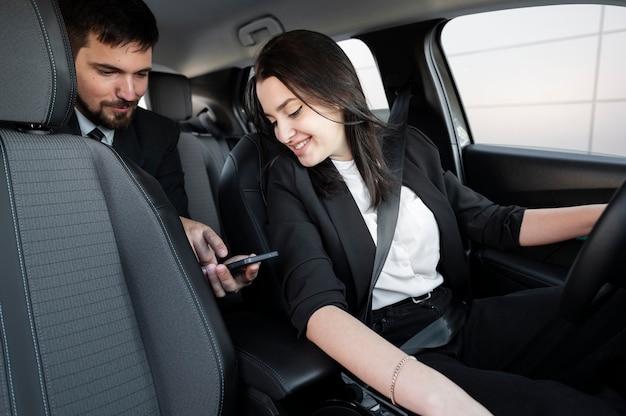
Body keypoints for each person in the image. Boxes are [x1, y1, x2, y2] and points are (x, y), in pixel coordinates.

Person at [245, 29, 626, 415]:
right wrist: (435, 397)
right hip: (393, 347)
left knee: (614, 306)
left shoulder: (407, 147)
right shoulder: (289, 181)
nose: (283, 133)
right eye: (273, 120)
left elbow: (493, 222)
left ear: (338, 90)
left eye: (292, 111)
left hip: (456, 316)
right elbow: (317, 307)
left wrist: (606, 218)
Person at [58, 0, 255, 297]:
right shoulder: (29, 139)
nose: (130, 93)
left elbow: (174, 221)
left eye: (141, 74)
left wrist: (203, 264)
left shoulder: (159, 134)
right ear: (64, 62)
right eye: (108, 72)